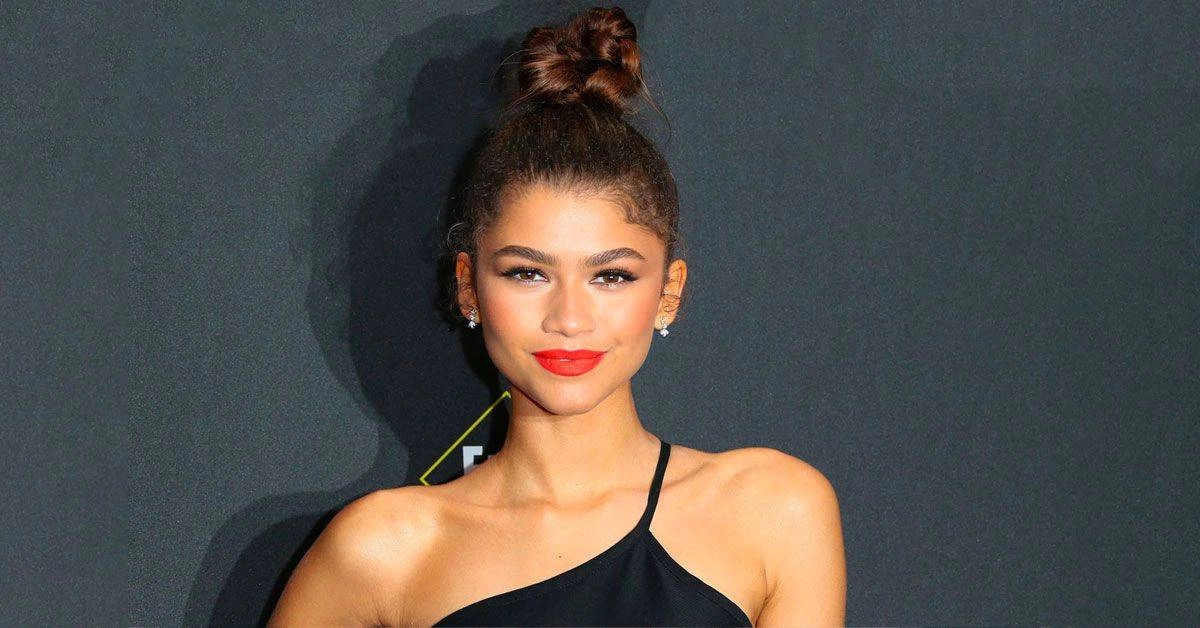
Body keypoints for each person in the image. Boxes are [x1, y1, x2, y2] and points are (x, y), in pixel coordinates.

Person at [269, 6, 845, 626]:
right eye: (528, 273)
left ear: (669, 292)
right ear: (468, 287)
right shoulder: (386, 550)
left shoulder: (772, 511)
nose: (569, 318)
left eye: (611, 276)